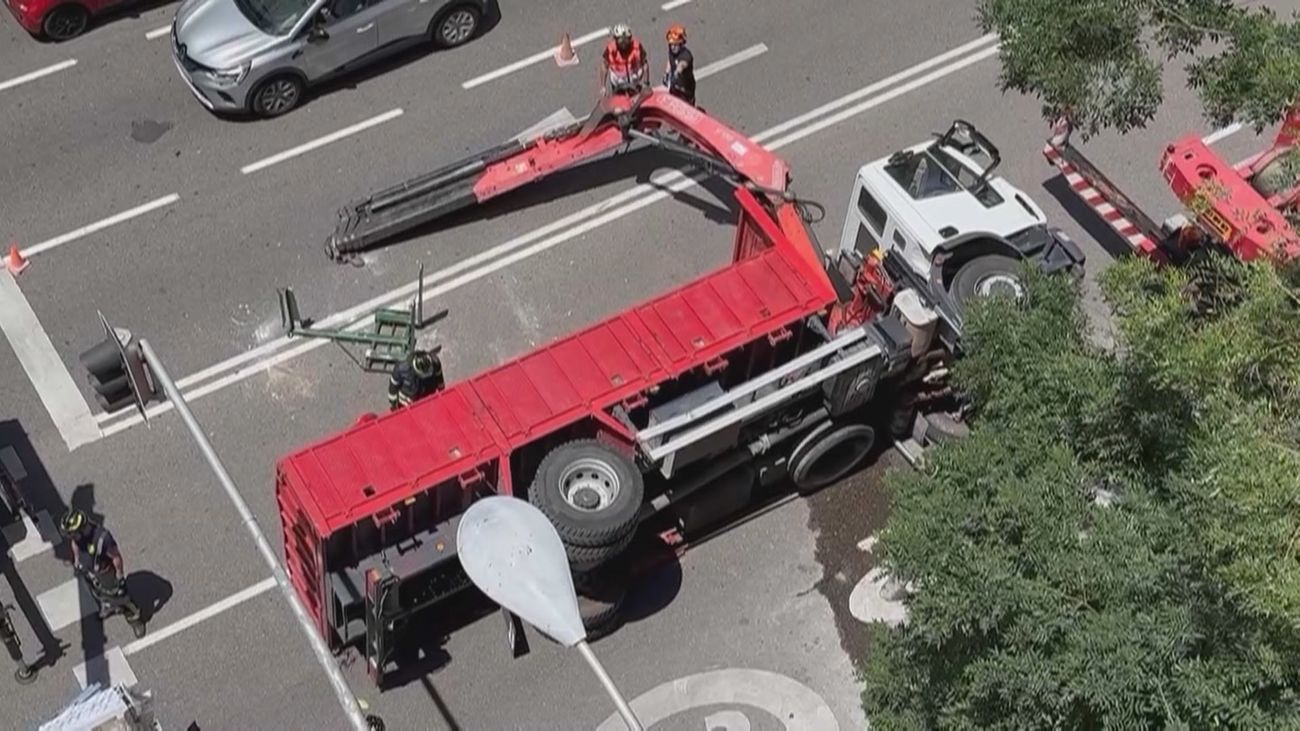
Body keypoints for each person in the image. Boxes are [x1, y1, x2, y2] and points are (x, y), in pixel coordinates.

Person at [60, 509, 146, 639]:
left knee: (121, 596)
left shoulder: (102, 538)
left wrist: (120, 576)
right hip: (91, 574)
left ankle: (134, 618)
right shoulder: (77, 537)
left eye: (72, 534)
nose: (71, 537)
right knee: (100, 593)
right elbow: (75, 544)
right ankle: (109, 605)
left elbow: (116, 557)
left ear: (82, 530)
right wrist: (77, 560)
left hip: (107, 573)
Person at [600, 24, 649, 96]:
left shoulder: (637, 46)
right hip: (618, 83)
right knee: (618, 104)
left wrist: (646, 83)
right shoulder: (610, 49)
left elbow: (644, 64)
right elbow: (604, 66)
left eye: (626, 40)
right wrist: (603, 87)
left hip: (634, 81)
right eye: (620, 41)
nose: (623, 44)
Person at [663, 23, 696, 106]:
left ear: (680, 44)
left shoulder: (686, 55)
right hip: (675, 86)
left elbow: (681, 65)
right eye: (671, 45)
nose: (672, 47)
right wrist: (666, 74)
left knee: (686, 108)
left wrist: (676, 74)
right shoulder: (672, 52)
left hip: (685, 89)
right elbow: (670, 61)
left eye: (675, 45)